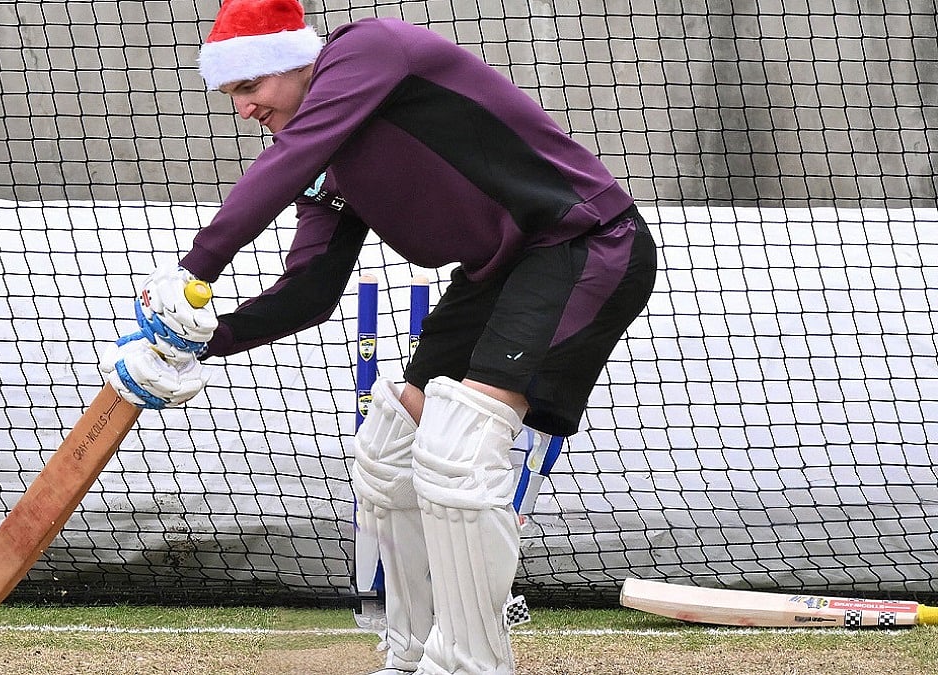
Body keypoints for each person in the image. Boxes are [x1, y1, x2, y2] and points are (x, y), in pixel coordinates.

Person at [99, 0, 658, 673]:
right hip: (496, 272)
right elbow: (309, 291)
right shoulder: (321, 158)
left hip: (582, 243)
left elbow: (293, 157)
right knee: (388, 451)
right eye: (232, 96)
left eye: (250, 85)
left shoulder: (368, 49)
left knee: (457, 450)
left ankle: (470, 665)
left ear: (295, 61)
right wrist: (196, 340)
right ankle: (412, 653)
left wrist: (196, 267)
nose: (244, 109)